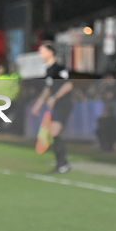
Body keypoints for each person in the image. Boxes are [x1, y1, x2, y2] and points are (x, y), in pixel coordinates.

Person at [31, 41, 73, 173]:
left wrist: (55, 97)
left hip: (64, 104)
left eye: (42, 51)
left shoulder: (59, 68)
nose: (40, 54)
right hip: (58, 105)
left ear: (50, 52)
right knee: (54, 132)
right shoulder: (49, 70)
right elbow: (48, 88)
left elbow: (68, 85)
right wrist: (38, 104)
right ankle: (62, 163)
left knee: (54, 131)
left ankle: (63, 164)